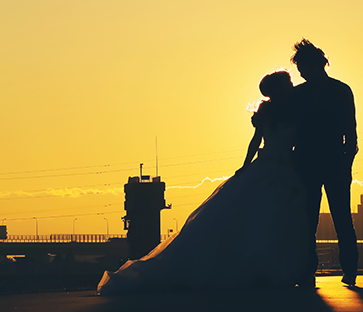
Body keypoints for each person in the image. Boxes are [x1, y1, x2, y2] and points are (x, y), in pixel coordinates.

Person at [97, 71, 309, 294]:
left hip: (286, 167)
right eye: (287, 84)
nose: (291, 86)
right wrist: (245, 165)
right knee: (260, 217)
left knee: (276, 219)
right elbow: (256, 140)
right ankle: (262, 268)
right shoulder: (270, 111)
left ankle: (278, 267)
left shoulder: (294, 109)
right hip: (268, 166)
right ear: (277, 89)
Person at [289, 39, 358, 287]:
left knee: (337, 219)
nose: (300, 72)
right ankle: (310, 271)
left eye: (302, 67)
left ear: (316, 64)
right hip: (311, 161)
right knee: (310, 220)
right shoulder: (301, 94)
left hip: (328, 161)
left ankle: (345, 269)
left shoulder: (339, 91)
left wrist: (346, 161)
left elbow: (351, 132)